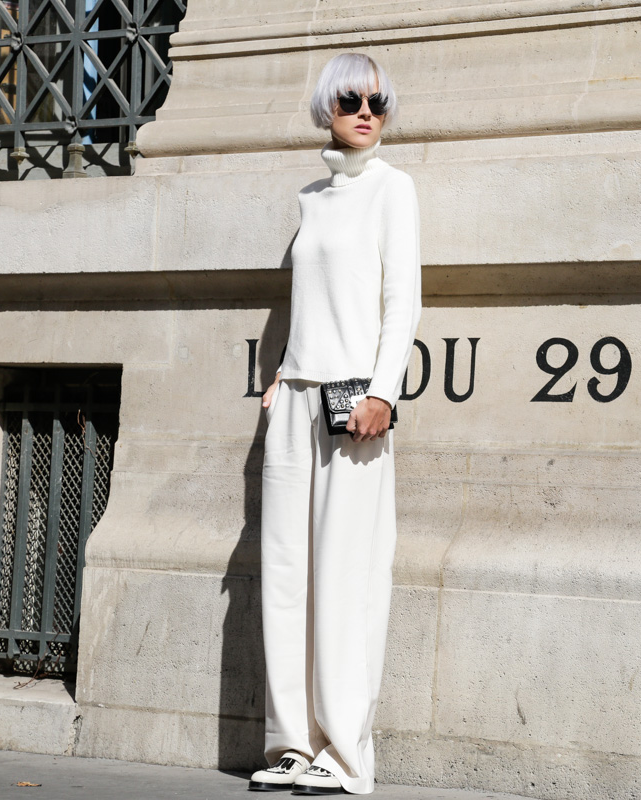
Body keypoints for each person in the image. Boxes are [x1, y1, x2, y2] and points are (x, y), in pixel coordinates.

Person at [248, 52, 422, 796]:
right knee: (287, 575)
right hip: (295, 400)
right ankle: (292, 743)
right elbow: (312, 302)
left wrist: (384, 391)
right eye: (351, 100)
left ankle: (344, 753)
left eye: (378, 102)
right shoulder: (310, 199)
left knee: (347, 576)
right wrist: (282, 374)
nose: (366, 112)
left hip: (356, 408)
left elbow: (401, 301)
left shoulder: (393, 189)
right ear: (327, 107)